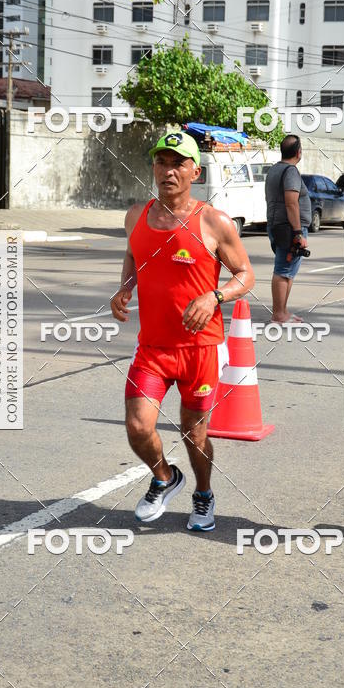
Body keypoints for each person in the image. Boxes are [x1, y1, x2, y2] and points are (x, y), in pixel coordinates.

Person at [110, 131, 255, 532]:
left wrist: (214, 297)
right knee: (139, 427)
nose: (168, 170)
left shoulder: (214, 221)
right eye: (161, 161)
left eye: (178, 163)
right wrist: (125, 287)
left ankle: (204, 494)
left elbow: (245, 275)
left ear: (195, 170)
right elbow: (133, 253)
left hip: (200, 348)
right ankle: (164, 477)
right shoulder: (135, 215)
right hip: (153, 348)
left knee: (195, 434)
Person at [264, 134, 311, 322]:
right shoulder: (290, 171)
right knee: (283, 270)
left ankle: (282, 311)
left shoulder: (275, 169)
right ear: (299, 152)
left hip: (278, 226)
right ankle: (279, 314)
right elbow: (292, 203)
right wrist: (298, 232)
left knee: (287, 270)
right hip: (289, 228)